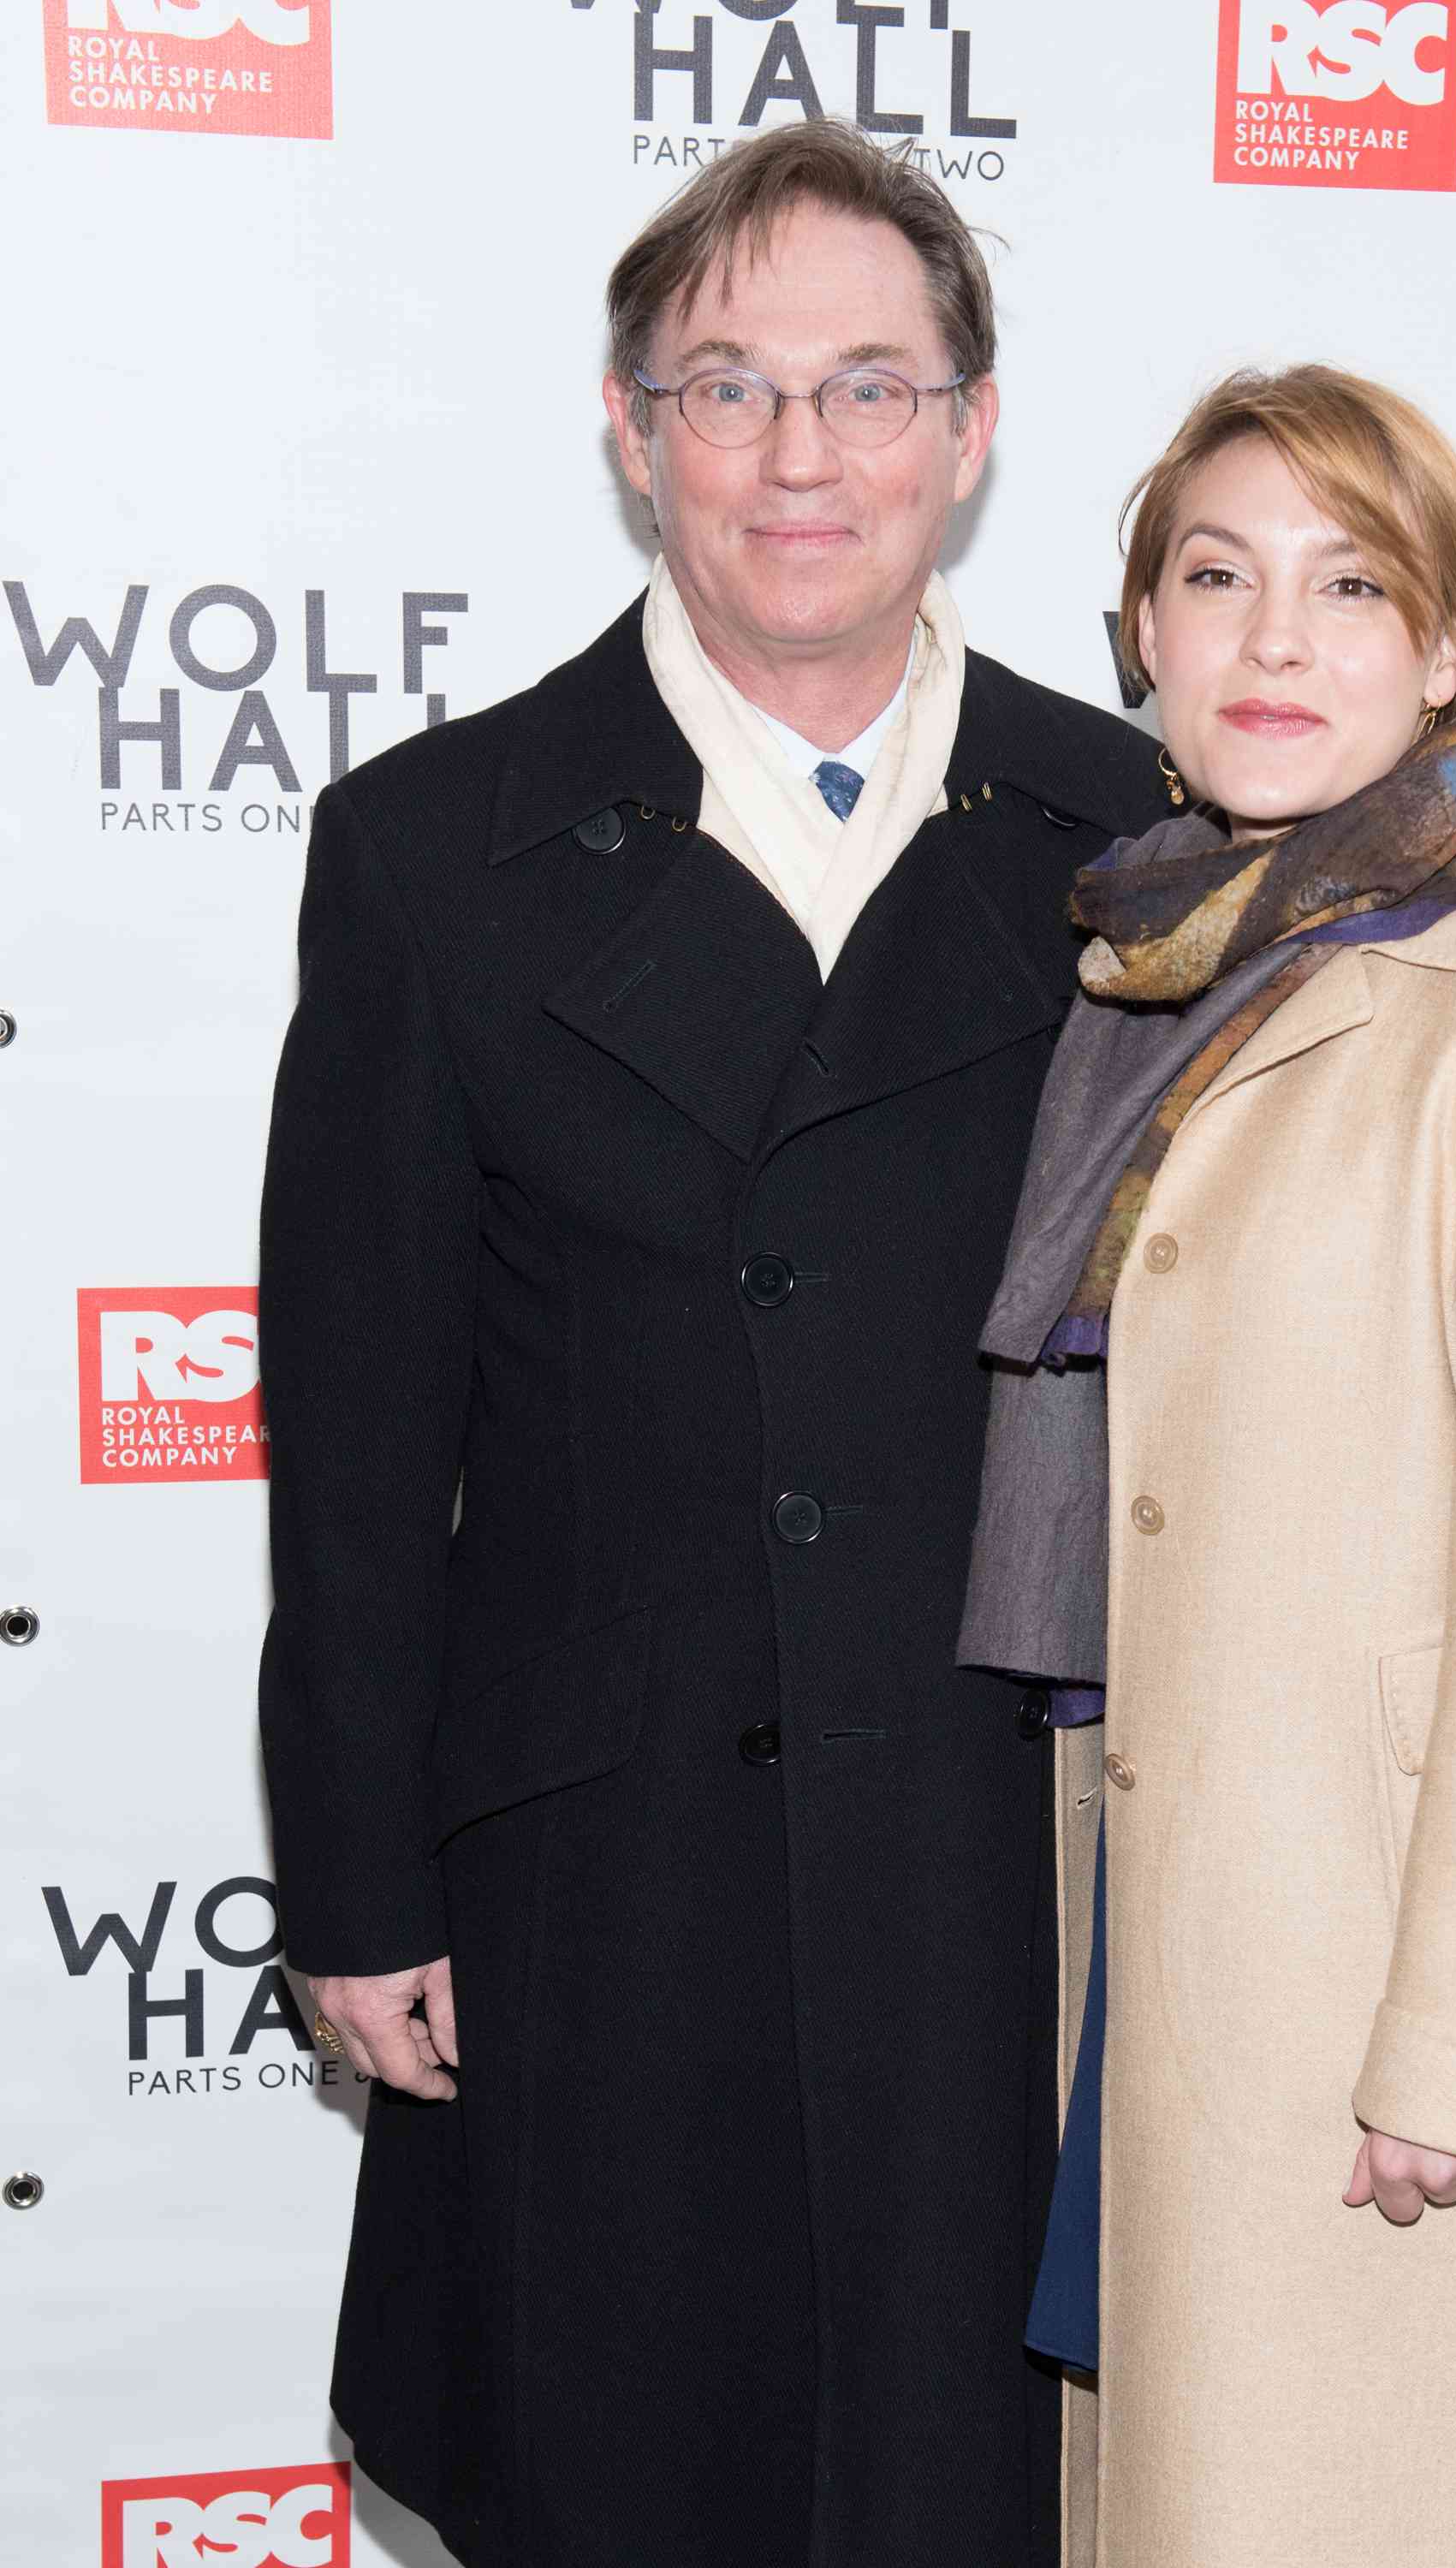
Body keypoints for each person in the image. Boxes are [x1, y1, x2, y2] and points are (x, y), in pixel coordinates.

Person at [257, 122, 1166, 2568]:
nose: (801, 457)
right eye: (733, 386)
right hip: (600, 1865)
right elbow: (355, 1424)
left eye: (870, 389)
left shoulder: (1139, 834)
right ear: (631, 427)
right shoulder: (436, 844)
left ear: (968, 436)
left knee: (974, 2490)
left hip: (1003, 1862)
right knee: (628, 2476)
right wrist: (352, 1877)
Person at [960, 365, 1456, 2566]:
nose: (1273, 639)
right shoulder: (1146, 989)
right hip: (1182, 1934)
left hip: (1403, 1992)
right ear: (1138, 635)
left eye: (1346, 583)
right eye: (1214, 577)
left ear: (1446, 651)